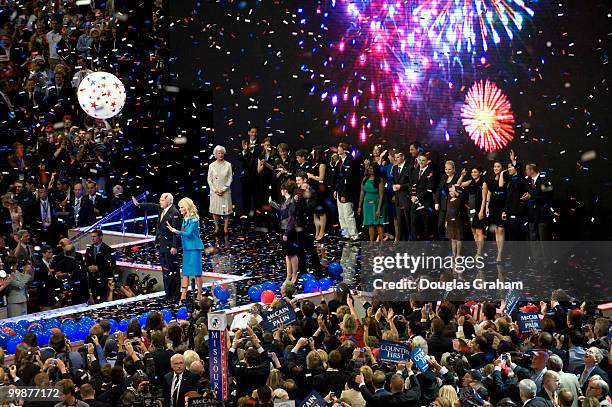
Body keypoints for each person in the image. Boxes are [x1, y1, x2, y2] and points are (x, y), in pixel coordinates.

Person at [133, 193, 181, 301]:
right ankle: (168, 293)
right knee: (165, 270)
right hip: (162, 246)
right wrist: (139, 204)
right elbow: (152, 206)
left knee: (173, 271)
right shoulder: (162, 209)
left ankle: (175, 294)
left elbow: (176, 232)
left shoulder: (174, 213)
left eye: (162, 200)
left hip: (170, 247)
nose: (160, 202)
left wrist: (174, 246)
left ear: (168, 201)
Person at [166, 197, 204, 302]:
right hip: (187, 248)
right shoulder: (185, 219)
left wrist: (176, 231)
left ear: (187, 207)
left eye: (182, 207)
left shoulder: (194, 220)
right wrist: (176, 232)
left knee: (197, 273)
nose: (180, 209)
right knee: (185, 273)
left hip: (194, 248)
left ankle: (199, 294)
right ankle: (183, 295)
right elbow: (184, 231)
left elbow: (189, 233)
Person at [270, 182, 300, 283]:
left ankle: (295, 274)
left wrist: (286, 233)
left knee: (292, 253)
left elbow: (291, 219)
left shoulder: (291, 202)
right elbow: (281, 208)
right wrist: (272, 203)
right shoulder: (286, 200)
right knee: (287, 254)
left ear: (285, 190)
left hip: (290, 230)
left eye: (282, 189)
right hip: (284, 228)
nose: (280, 191)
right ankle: (289, 274)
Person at [207, 145, 233, 248]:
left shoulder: (228, 165)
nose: (220, 155)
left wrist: (223, 189)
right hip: (215, 192)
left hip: (225, 191)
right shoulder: (211, 165)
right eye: (218, 153)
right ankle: (217, 227)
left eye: (222, 153)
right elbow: (209, 180)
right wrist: (215, 190)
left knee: (226, 210)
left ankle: (226, 228)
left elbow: (230, 178)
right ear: (215, 154)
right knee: (215, 210)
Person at [83, 229, 116, 304]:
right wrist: (88, 267)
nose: (92, 238)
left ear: (100, 237)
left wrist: (98, 268)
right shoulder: (89, 249)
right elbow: (86, 263)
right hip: (92, 280)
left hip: (104, 280)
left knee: (103, 301)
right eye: (92, 237)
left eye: (94, 236)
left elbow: (112, 265)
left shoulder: (108, 249)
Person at [335, 142, 359, 241]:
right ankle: (346, 234)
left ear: (344, 149)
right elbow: (339, 179)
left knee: (348, 215)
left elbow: (348, 181)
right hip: (339, 192)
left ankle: (354, 235)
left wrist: (344, 194)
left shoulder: (350, 162)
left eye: (339, 147)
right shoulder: (340, 162)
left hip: (347, 194)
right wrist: (336, 190)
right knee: (341, 216)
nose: (338, 149)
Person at [358, 163, 386, 241]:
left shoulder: (380, 180)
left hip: (376, 203)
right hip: (366, 203)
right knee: (370, 224)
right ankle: (371, 243)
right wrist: (359, 206)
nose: (370, 170)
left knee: (378, 224)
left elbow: (381, 195)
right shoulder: (365, 179)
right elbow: (362, 193)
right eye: (369, 168)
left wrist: (379, 209)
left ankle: (382, 244)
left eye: (372, 168)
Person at [410, 153, 435, 240]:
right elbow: (411, 185)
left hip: (425, 203)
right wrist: (412, 197)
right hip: (414, 203)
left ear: (427, 161)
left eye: (423, 160)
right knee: (413, 225)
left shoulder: (431, 172)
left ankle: (425, 247)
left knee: (425, 226)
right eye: (419, 160)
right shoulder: (415, 171)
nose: (421, 162)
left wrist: (417, 198)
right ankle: (414, 247)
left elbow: (429, 190)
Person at [487, 160, 508, 262]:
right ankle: (498, 252)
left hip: (502, 206)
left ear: (502, 168)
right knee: (496, 230)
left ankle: (500, 254)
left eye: (498, 166)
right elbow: (489, 192)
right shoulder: (491, 178)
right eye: (494, 166)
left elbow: (500, 186)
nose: (496, 168)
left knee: (501, 230)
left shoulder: (505, 177)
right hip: (493, 206)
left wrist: (502, 173)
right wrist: (487, 206)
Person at [238, 125, 260, 217]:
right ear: (248, 133)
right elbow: (239, 158)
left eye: (255, 132)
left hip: (256, 177)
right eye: (252, 132)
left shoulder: (261, 144)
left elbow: (259, 157)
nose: (253, 134)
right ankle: (245, 219)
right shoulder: (244, 143)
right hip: (246, 177)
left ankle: (258, 219)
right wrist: (245, 150)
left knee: (257, 199)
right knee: (245, 198)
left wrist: (251, 151)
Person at [435, 160, 460, 239]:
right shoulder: (443, 177)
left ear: (453, 169)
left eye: (449, 169)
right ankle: (442, 244)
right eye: (446, 169)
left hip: (452, 206)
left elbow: (458, 191)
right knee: (440, 225)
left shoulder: (457, 178)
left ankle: (450, 246)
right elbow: (439, 190)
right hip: (443, 205)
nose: (447, 171)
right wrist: (436, 202)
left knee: (450, 227)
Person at [392, 149, 412, 241]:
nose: (396, 159)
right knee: (399, 221)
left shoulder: (409, 167)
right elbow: (394, 181)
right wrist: (394, 186)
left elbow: (411, 183)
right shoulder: (395, 168)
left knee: (408, 220)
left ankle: (410, 239)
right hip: (398, 198)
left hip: (406, 197)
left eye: (398, 157)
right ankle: (402, 240)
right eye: (395, 157)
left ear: (403, 157)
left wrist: (401, 186)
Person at [445, 185, 464, 259]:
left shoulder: (458, 200)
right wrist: (446, 221)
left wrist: (455, 191)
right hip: (450, 222)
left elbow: (461, 198)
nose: (451, 193)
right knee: (452, 239)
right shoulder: (449, 200)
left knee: (458, 239)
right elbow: (447, 212)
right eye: (450, 191)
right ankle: (454, 254)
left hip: (457, 221)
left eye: (452, 191)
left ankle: (458, 254)